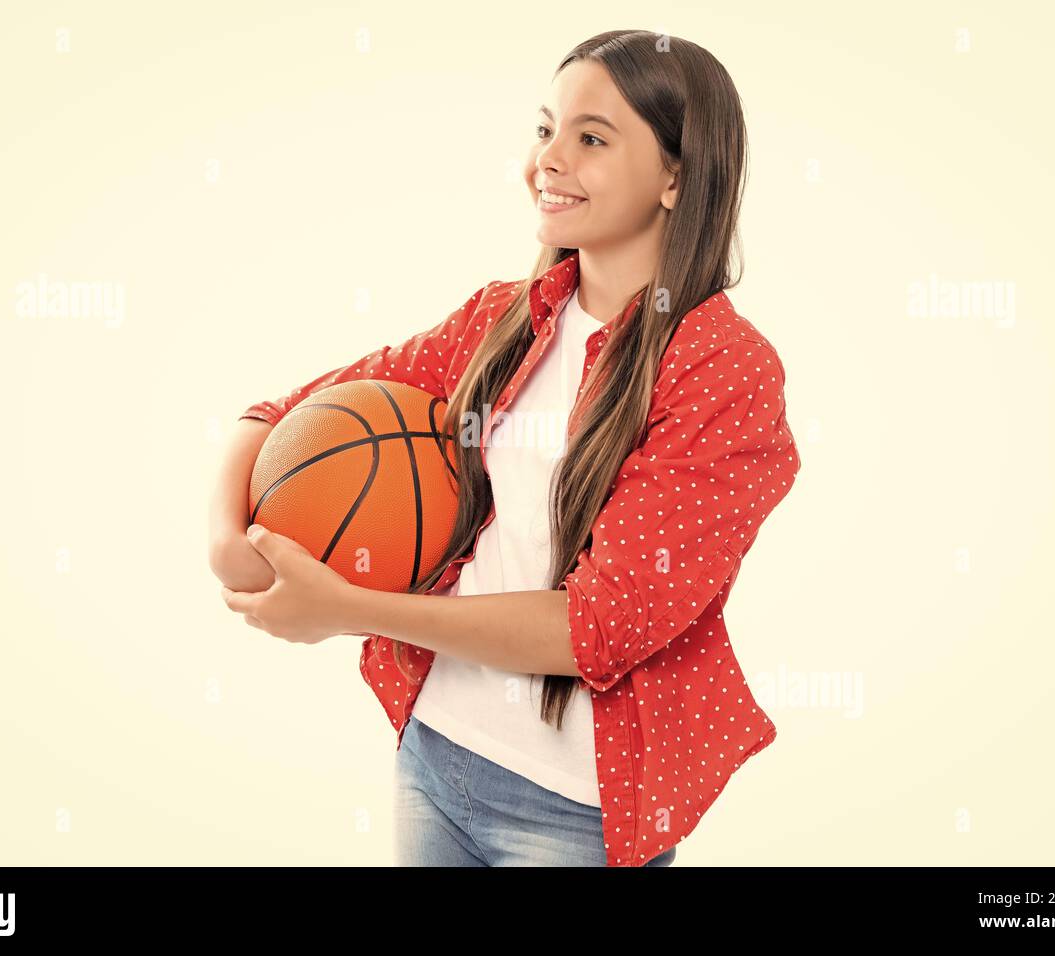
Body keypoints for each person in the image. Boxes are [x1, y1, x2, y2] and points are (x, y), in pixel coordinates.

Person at [209, 30, 802, 867]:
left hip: (571, 814)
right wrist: (230, 539)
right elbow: (277, 411)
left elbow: (596, 628)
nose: (547, 161)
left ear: (676, 176)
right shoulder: (505, 318)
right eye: (543, 129)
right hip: (434, 754)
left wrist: (347, 610)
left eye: (591, 138)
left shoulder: (724, 374)